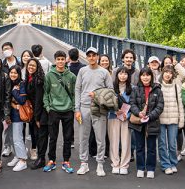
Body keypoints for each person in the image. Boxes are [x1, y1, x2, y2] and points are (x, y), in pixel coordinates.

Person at [74, 47, 111, 176]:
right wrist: (76, 109)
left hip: (99, 108)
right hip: (84, 107)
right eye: (89, 55)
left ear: (97, 56)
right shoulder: (82, 71)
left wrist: (97, 95)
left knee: (100, 137)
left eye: (93, 55)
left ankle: (100, 164)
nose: (91, 57)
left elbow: (110, 91)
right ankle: (84, 163)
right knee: (83, 137)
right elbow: (77, 89)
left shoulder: (104, 72)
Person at [43, 50, 77, 174]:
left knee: (67, 138)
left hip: (68, 110)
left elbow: (74, 93)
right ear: (55, 60)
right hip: (54, 110)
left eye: (63, 59)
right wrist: (48, 107)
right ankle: (51, 160)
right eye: (58, 59)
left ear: (65, 60)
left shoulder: (71, 76)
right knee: (53, 137)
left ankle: (66, 161)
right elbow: (45, 93)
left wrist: (73, 107)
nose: (61, 61)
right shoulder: (49, 75)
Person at [130, 67, 164, 179]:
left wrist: (150, 116)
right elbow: (132, 103)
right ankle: (140, 167)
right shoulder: (135, 89)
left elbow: (160, 106)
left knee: (151, 147)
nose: (145, 77)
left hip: (152, 122)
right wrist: (138, 113)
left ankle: (150, 168)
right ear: (140, 77)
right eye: (143, 75)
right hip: (138, 121)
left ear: (151, 76)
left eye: (148, 75)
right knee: (139, 146)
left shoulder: (157, 90)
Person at [158, 65, 184, 175]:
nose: (168, 74)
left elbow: (180, 104)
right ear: (162, 73)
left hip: (173, 119)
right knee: (162, 143)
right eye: (166, 72)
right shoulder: (157, 86)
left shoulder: (176, 87)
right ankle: (165, 164)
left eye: (170, 73)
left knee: (173, 144)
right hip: (160, 119)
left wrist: (181, 120)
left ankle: (173, 163)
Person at [107, 66, 132, 175]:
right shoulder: (111, 88)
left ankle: (124, 164)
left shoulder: (133, 88)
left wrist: (129, 114)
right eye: (120, 73)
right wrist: (115, 112)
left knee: (126, 141)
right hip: (113, 116)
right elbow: (106, 103)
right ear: (117, 75)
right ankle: (115, 163)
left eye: (125, 74)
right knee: (114, 141)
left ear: (128, 76)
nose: (123, 76)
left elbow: (135, 104)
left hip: (126, 118)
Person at [26, 57, 47, 169]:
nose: (31, 67)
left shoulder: (38, 80)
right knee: (36, 135)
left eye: (33, 65)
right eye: (29, 65)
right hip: (35, 112)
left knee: (41, 136)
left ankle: (41, 159)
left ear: (37, 67)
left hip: (40, 112)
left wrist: (37, 118)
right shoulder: (30, 78)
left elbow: (39, 100)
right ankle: (40, 158)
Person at [7, 65, 29, 171]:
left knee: (17, 138)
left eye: (15, 73)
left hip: (18, 115)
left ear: (19, 74)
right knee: (11, 137)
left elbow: (22, 100)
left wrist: (14, 92)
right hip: (9, 114)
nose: (13, 75)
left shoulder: (21, 84)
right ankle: (17, 156)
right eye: (11, 72)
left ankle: (23, 160)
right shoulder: (8, 83)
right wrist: (13, 105)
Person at [0, 42, 18, 157]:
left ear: (12, 49)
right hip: (6, 97)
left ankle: (18, 146)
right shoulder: (1, 64)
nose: (7, 50)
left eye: (8, 48)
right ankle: (7, 147)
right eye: (4, 49)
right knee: (6, 123)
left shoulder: (19, 62)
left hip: (17, 96)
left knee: (18, 124)